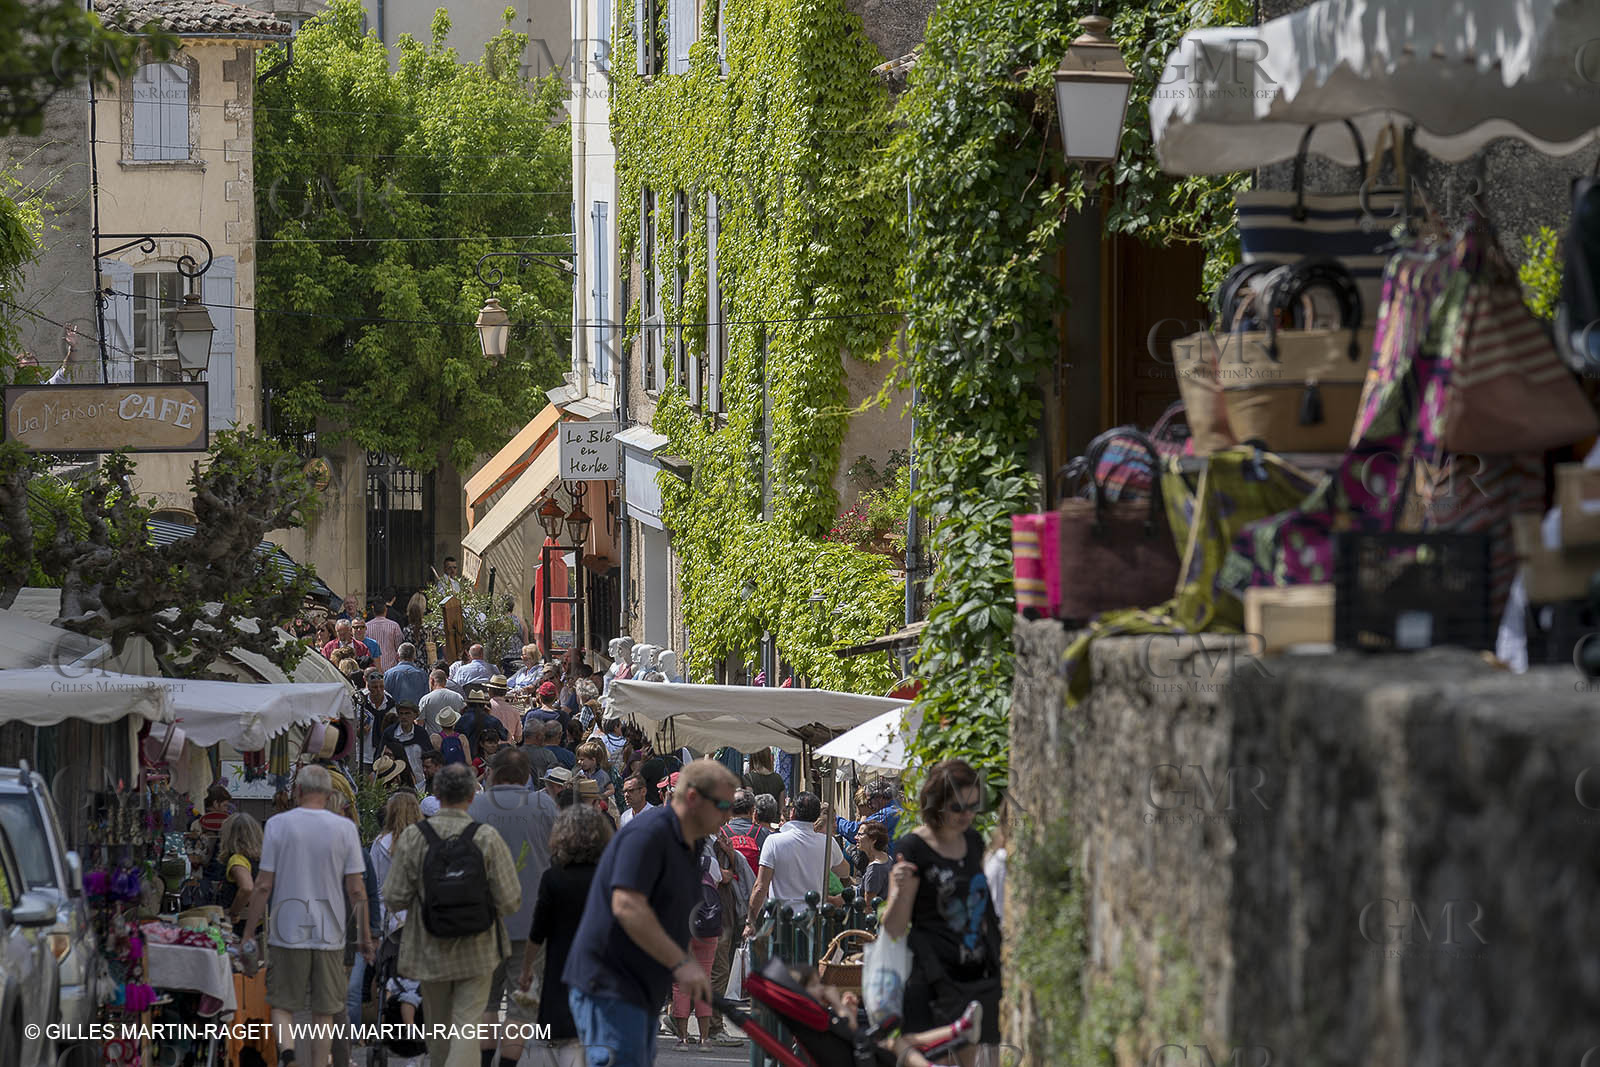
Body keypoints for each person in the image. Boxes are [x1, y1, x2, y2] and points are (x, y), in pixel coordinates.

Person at [562, 758, 742, 1067]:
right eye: (723, 805)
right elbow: (627, 905)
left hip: (640, 986)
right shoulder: (650, 833)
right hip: (609, 984)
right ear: (693, 798)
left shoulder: (692, 843)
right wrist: (680, 962)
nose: (729, 815)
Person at [381, 763, 522, 1067]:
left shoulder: (414, 837)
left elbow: (393, 897)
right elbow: (510, 900)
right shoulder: (486, 837)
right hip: (478, 948)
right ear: (472, 796)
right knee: (467, 1026)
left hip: (429, 947)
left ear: (436, 793)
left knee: (438, 1030)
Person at [239, 765, 372, 1067]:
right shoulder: (344, 829)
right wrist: (364, 936)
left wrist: (248, 932)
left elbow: (263, 885)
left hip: (286, 930)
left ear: (298, 791)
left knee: (283, 1004)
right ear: (329, 794)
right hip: (330, 932)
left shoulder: (278, 825)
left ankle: (288, 1054)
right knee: (324, 1011)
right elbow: (356, 890)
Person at [883, 760, 1002, 1065]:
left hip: (975, 971)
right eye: (958, 807)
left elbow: (983, 907)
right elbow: (894, 927)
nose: (967, 815)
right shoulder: (913, 847)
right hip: (933, 974)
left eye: (973, 807)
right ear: (936, 803)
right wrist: (898, 891)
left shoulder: (973, 841)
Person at [469, 748, 555, 1067]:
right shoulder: (544, 806)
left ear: (494, 773)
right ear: (526, 775)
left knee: (486, 1001)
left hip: (483, 921)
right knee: (520, 1003)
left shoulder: (474, 806)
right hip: (531, 921)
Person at [522, 804, 612, 1067]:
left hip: (561, 969)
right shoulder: (609, 878)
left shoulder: (553, 878)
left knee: (567, 1042)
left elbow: (538, 930)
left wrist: (526, 969)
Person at [744, 793, 851, 929]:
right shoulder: (828, 843)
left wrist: (750, 922)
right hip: (814, 921)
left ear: (792, 812)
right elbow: (844, 871)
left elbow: (760, 887)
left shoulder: (774, 841)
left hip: (781, 922)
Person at [670, 838, 729, 1049]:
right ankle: (704, 1039)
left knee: (681, 983)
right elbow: (718, 884)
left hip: (682, 928)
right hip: (707, 929)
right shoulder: (710, 863)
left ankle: (683, 1038)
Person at [216, 812, 261, 933]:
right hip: (259, 924)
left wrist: (233, 913)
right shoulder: (262, 860)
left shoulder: (237, 860)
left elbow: (247, 888)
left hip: (239, 928)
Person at [836, 777, 903, 846]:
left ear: (879, 797)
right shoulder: (897, 807)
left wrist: (836, 820)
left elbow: (856, 832)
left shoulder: (887, 814)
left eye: (869, 801)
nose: (870, 805)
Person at [355, 669, 397, 775]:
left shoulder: (390, 704)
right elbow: (353, 729)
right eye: (375, 687)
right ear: (368, 688)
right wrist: (359, 731)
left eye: (381, 687)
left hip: (384, 756)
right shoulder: (361, 704)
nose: (378, 690)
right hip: (365, 754)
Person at [718, 789, 770, 873]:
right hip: (755, 879)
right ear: (752, 810)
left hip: (730, 880)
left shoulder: (720, 834)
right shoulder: (764, 833)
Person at [381, 703, 428, 786]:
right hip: (395, 781)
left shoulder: (421, 734)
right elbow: (381, 756)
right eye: (401, 713)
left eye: (407, 713)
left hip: (419, 781)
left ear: (415, 716)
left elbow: (428, 756)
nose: (404, 717)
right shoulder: (390, 733)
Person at [420, 668, 467, 734]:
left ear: (432, 681)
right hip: (453, 737)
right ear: (445, 681)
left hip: (432, 738)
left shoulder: (426, 699)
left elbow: (419, 722)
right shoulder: (458, 697)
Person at [384, 643, 430, 709]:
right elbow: (425, 698)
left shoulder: (389, 674)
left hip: (395, 712)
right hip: (416, 712)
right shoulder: (422, 675)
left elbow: (385, 697)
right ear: (414, 656)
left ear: (398, 655)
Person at [365, 597, 405, 670]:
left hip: (373, 667)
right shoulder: (394, 626)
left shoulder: (366, 627)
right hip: (391, 666)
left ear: (373, 611)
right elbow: (399, 647)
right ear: (385, 610)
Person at [857, 822, 892, 905]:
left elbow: (868, 905)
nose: (856, 837)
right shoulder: (887, 857)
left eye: (860, 835)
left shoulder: (875, 869)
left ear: (873, 840)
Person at [484, 675, 524, 744]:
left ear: (490, 691)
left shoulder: (485, 708)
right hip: (507, 748)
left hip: (489, 747)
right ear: (505, 692)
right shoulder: (514, 711)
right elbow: (518, 739)